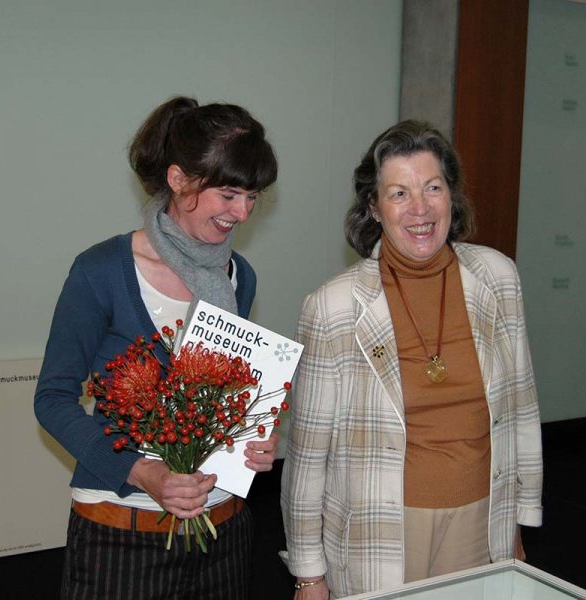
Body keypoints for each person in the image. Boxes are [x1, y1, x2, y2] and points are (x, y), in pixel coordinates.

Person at [280, 120, 543, 599]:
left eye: (433, 188)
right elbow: (307, 455)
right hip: (378, 530)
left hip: (480, 521)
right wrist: (309, 574)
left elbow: (521, 407)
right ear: (374, 208)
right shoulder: (333, 306)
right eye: (399, 193)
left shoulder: (498, 277)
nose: (420, 209)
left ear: (452, 197)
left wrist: (518, 522)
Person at [35, 96, 279, 600]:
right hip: (121, 536)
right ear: (178, 179)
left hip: (225, 533)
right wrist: (142, 472)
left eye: (253, 196)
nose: (244, 212)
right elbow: (53, 399)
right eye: (230, 193)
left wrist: (257, 439)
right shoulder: (100, 271)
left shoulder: (239, 277)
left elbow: (226, 398)